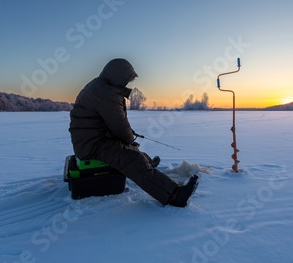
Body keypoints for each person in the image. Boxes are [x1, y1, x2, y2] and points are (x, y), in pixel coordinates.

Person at [69, 58, 198, 207]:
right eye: (127, 79)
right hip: (92, 145)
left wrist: (128, 137)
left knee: (129, 147)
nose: (128, 83)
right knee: (132, 159)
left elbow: (113, 123)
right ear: (119, 76)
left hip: (92, 139)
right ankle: (174, 195)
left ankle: (148, 163)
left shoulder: (100, 86)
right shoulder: (107, 93)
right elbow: (119, 127)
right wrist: (128, 137)